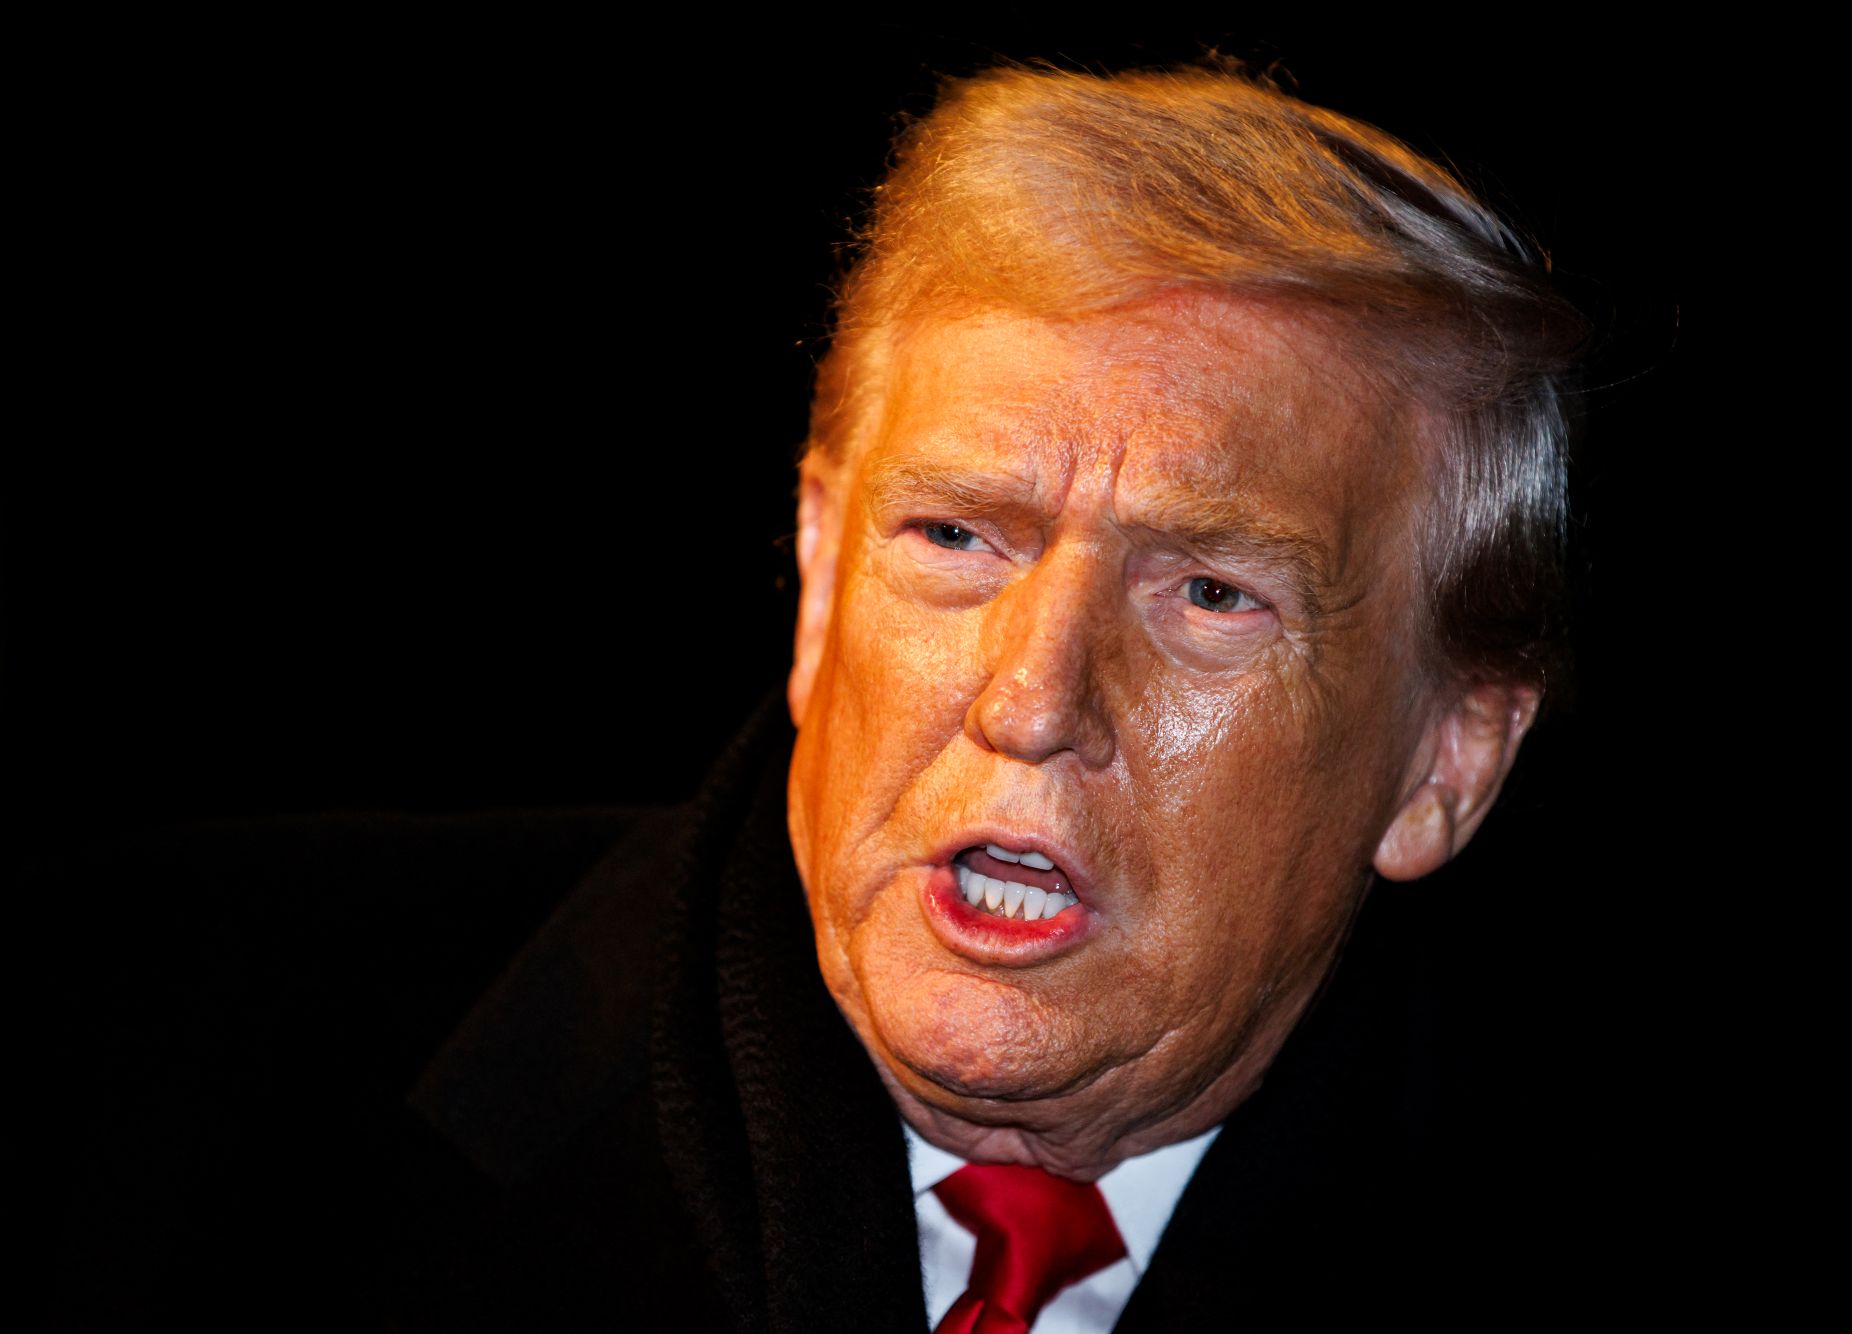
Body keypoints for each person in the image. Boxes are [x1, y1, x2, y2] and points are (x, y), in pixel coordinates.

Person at [44, 62, 1601, 1330]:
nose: (1031, 697)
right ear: (816, 571)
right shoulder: (130, 1045)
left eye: (1209, 593)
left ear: (1448, 759)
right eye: (955, 536)